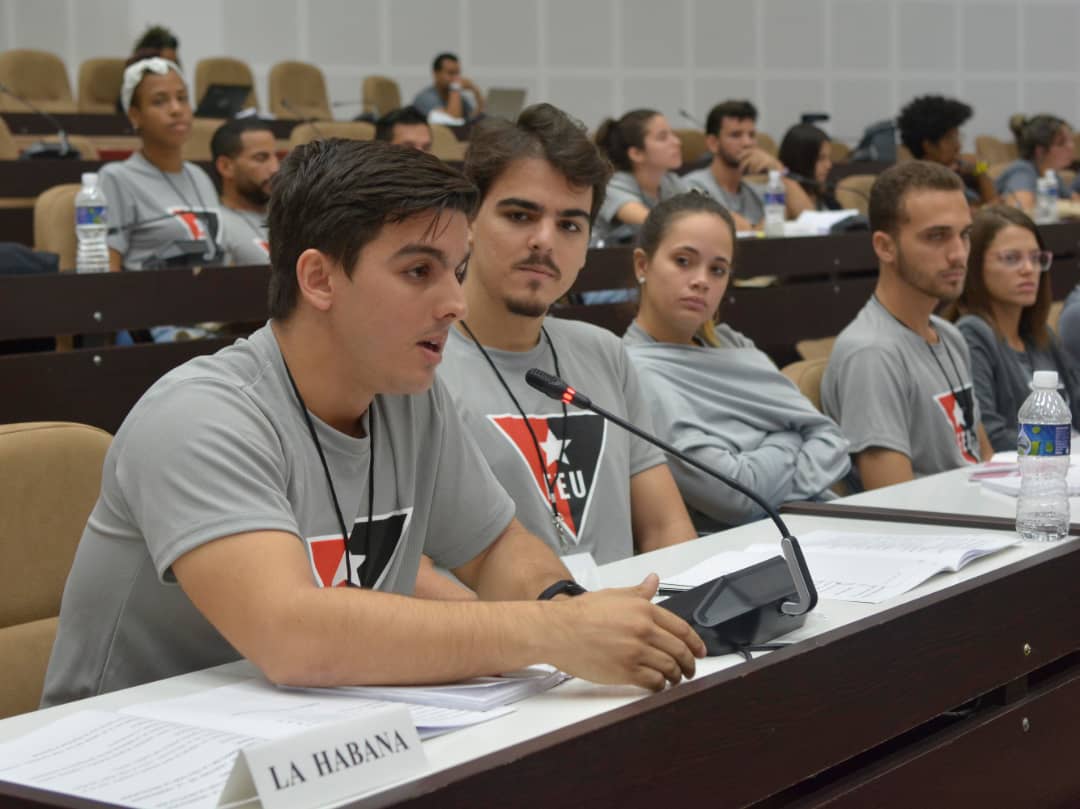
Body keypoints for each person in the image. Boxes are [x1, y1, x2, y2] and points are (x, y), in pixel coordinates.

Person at [41, 138, 706, 708]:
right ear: (319, 279)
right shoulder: (197, 416)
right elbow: (292, 633)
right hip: (115, 765)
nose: (452, 302)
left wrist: (568, 608)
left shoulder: (411, 398)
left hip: (310, 737)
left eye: (458, 271)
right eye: (419, 269)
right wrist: (547, 632)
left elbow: (496, 547)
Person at [438, 103, 698, 564]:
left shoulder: (605, 354)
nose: (545, 240)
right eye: (520, 216)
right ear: (469, 222)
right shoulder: (416, 367)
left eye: (570, 225)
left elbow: (665, 527)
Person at [623, 192, 849, 530]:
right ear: (643, 265)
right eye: (683, 261)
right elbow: (736, 498)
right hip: (744, 550)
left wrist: (764, 473)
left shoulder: (730, 342)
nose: (701, 281)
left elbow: (832, 440)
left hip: (818, 525)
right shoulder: (632, 371)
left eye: (717, 269)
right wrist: (789, 439)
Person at [821, 161, 993, 490]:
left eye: (965, 235)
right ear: (885, 246)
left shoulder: (950, 335)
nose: (959, 254)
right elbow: (895, 504)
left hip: (984, 522)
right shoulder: (872, 353)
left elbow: (983, 460)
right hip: (940, 534)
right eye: (937, 237)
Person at [105, 57, 222, 341]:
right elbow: (107, 272)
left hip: (214, 318)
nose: (176, 109)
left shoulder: (200, 177)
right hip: (154, 326)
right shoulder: (117, 177)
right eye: (160, 101)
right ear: (135, 115)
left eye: (182, 98)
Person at [945, 205, 1080, 451]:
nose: (1029, 269)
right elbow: (991, 435)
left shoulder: (1040, 335)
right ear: (975, 266)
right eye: (1011, 258)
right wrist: (1063, 446)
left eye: (1036, 258)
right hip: (1024, 478)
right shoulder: (972, 334)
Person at [683, 100, 814, 229]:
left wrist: (778, 170)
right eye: (736, 135)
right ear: (713, 143)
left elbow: (811, 221)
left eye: (751, 135)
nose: (747, 143)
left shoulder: (756, 191)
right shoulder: (693, 187)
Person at [591, 109, 688, 246]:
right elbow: (653, 223)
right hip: (602, 262)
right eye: (662, 137)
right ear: (636, 153)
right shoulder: (613, 186)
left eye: (673, 134)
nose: (677, 142)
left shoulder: (670, 181)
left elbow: (710, 212)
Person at [897, 95, 996, 205]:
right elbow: (992, 209)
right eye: (950, 139)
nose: (958, 146)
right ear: (928, 146)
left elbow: (996, 208)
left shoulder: (961, 171)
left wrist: (979, 170)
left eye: (957, 137)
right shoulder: (916, 183)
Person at [211, 118, 279, 266]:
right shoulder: (216, 225)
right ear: (226, 167)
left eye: (276, 157)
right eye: (261, 158)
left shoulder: (290, 217)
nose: (275, 168)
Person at [996, 114, 1080, 209]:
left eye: (1070, 140)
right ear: (1040, 151)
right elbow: (1023, 207)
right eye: (1061, 143)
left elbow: (1075, 200)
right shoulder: (1022, 170)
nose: (1071, 146)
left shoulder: (1051, 174)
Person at [777, 123, 840, 211]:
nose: (829, 165)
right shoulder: (777, 198)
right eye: (821, 158)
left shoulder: (827, 198)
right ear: (801, 160)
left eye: (829, 158)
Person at [411, 52, 484, 122]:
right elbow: (451, 121)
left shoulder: (460, 99)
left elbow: (473, 119)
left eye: (457, 73)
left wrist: (475, 90)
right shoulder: (425, 98)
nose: (456, 78)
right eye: (451, 73)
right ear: (436, 74)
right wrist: (456, 87)